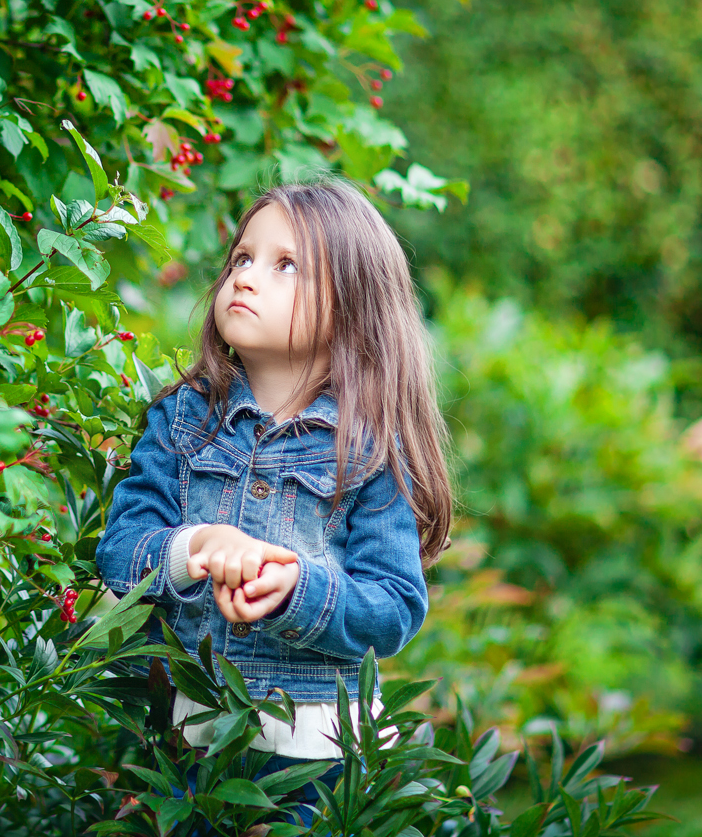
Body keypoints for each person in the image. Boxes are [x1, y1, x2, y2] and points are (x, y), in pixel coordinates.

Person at [95, 174, 454, 828]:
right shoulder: (183, 419)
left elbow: (395, 605)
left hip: (319, 758)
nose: (246, 277)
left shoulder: (368, 446)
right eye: (242, 258)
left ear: (353, 305)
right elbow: (120, 550)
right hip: (196, 740)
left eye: (286, 264)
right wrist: (192, 549)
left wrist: (296, 589)